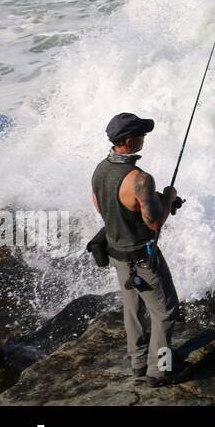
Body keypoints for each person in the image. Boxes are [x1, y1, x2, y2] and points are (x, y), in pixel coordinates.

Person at [91, 111, 183, 386]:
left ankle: (138, 361)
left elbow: (101, 205)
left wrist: (145, 203)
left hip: (117, 253)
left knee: (133, 309)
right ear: (129, 141)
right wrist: (168, 199)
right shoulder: (141, 179)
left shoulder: (100, 169)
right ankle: (161, 370)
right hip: (143, 258)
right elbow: (154, 223)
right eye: (142, 134)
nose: (145, 137)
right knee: (165, 312)